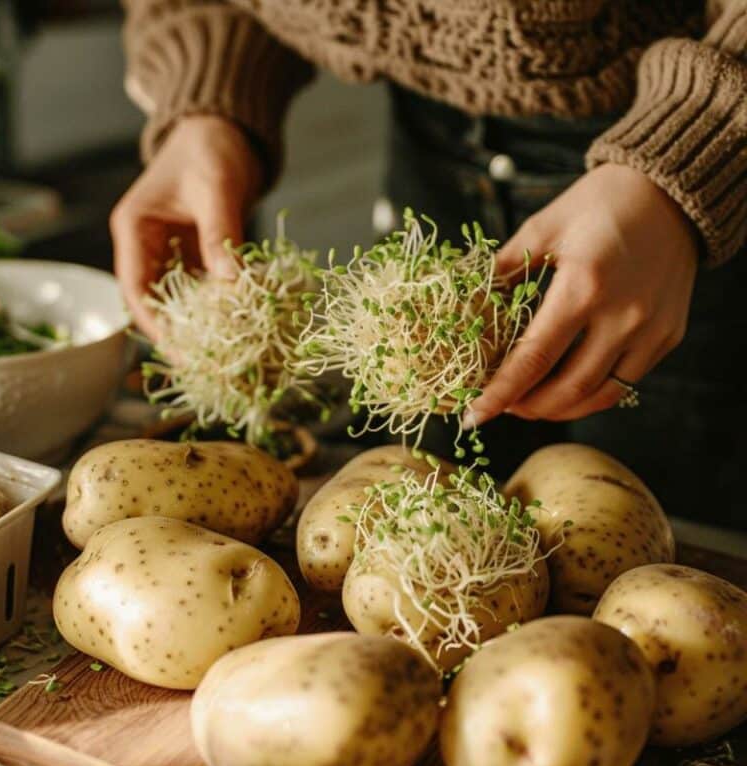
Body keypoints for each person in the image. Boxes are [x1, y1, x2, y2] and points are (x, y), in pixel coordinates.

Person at [111, 1, 747, 528]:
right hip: (429, 138)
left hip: (693, 167)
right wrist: (207, 96)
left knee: (672, 524)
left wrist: (701, 138)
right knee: (430, 505)